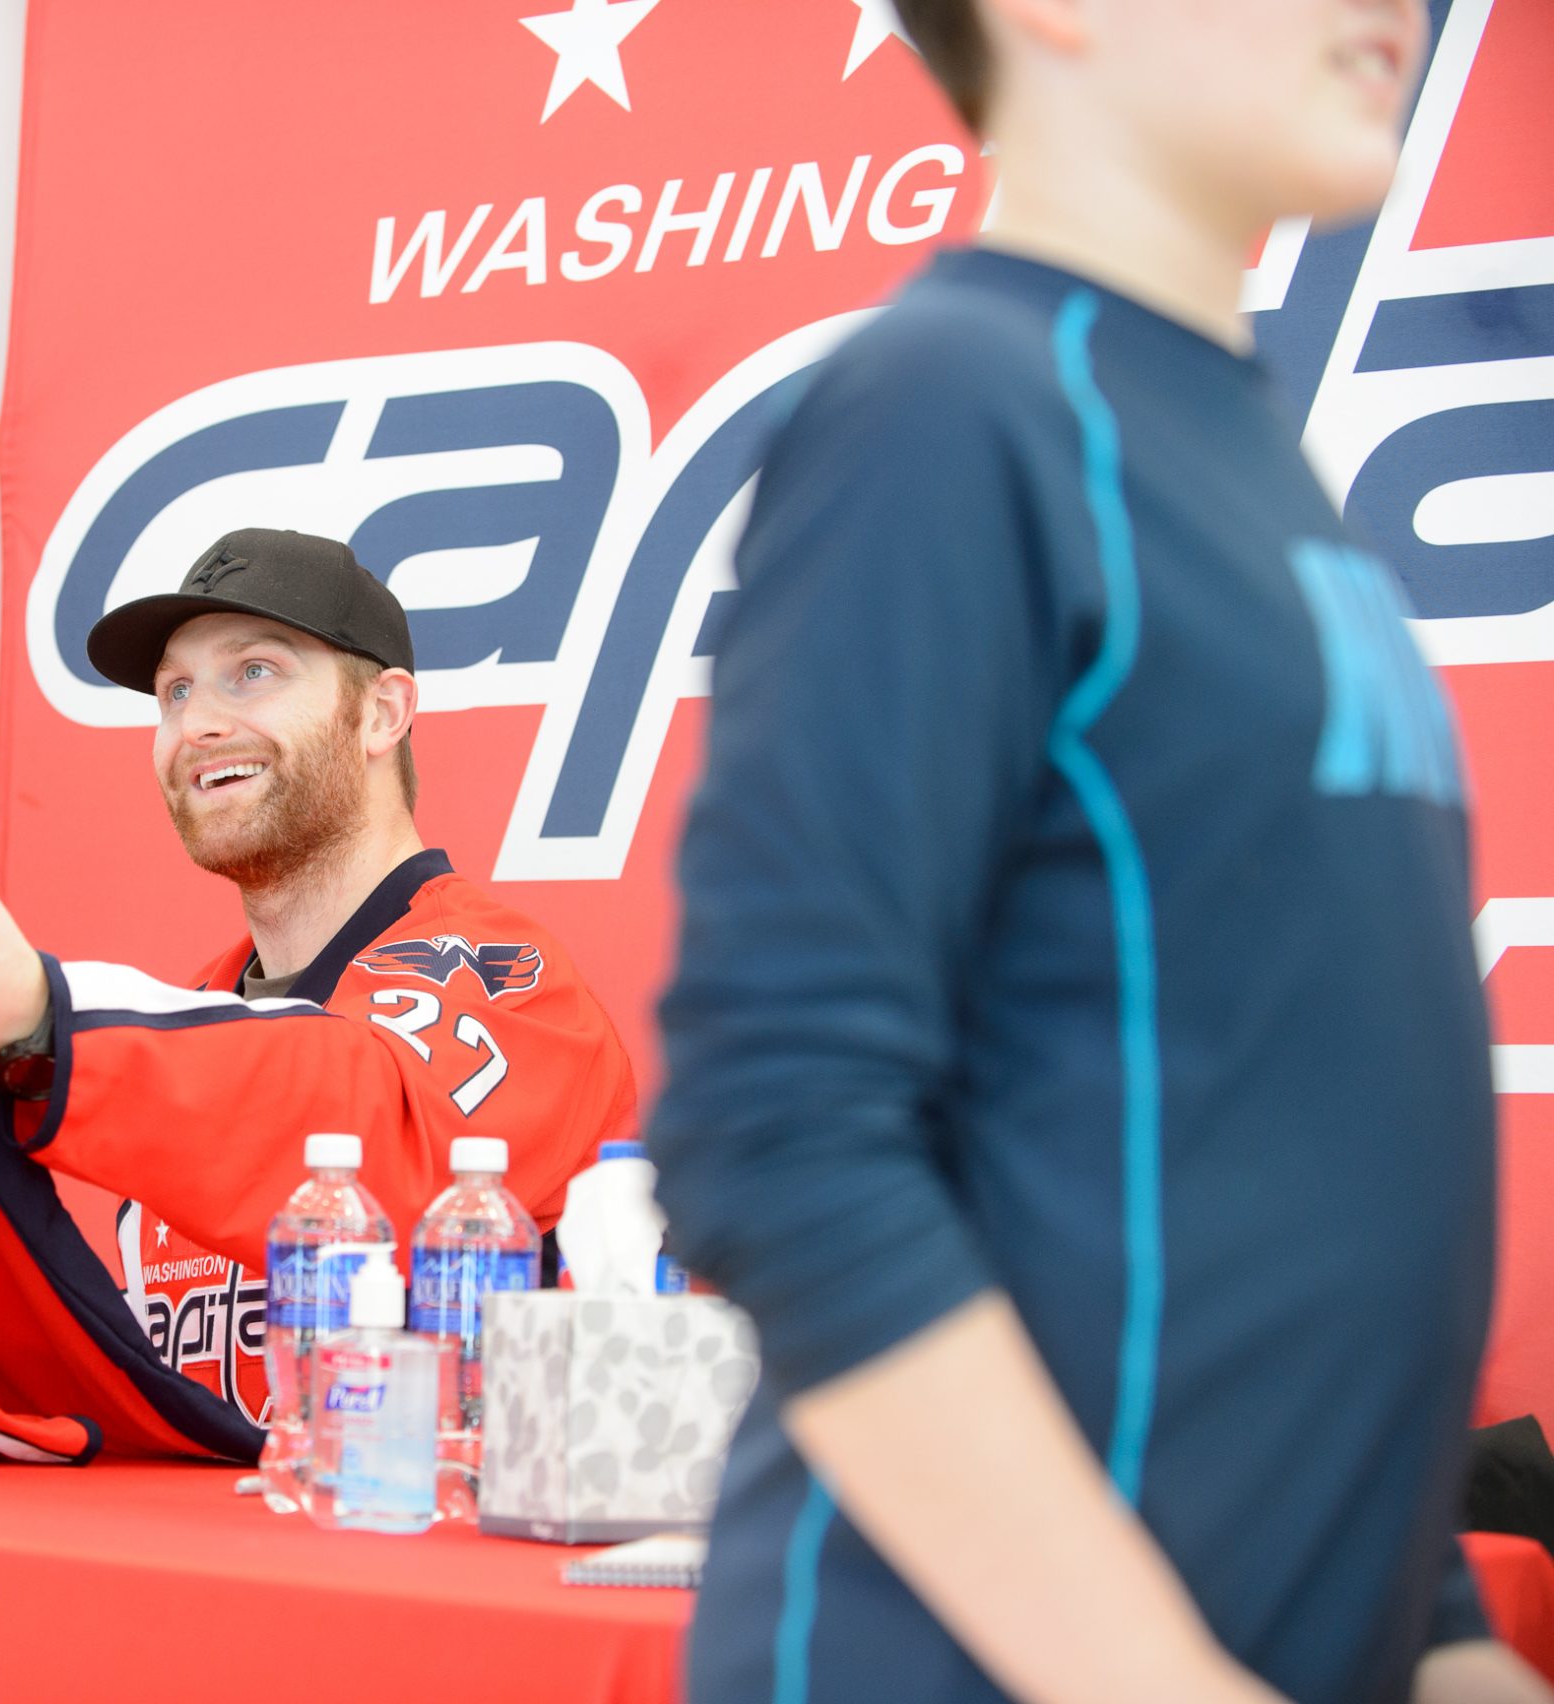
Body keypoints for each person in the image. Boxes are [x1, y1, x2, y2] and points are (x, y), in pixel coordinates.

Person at [645, 1, 1541, 1701]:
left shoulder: (1255, 464)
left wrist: (1434, 1633)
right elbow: (777, 1131)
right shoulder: (952, 407)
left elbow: (1283, 1145)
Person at [0, 528, 640, 1414]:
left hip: (425, 1536)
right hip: (215, 1544)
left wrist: (41, 1016)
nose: (198, 724)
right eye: (175, 691)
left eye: (255, 671)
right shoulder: (194, 1010)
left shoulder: (510, 978)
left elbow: (382, 1155)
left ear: (381, 714)